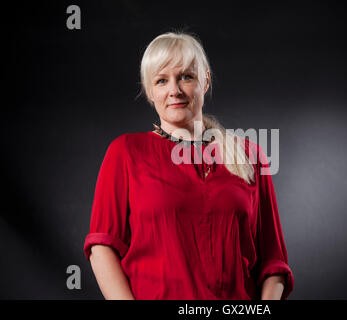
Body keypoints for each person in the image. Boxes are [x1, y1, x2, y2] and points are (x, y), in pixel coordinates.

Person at [83, 31, 294, 300]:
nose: (175, 90)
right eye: (162, 80)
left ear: (205, 81)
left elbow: (273, 262)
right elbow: (102, 248)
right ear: (150, 91)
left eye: (186, 76)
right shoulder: (125, 152)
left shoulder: (250, 154)